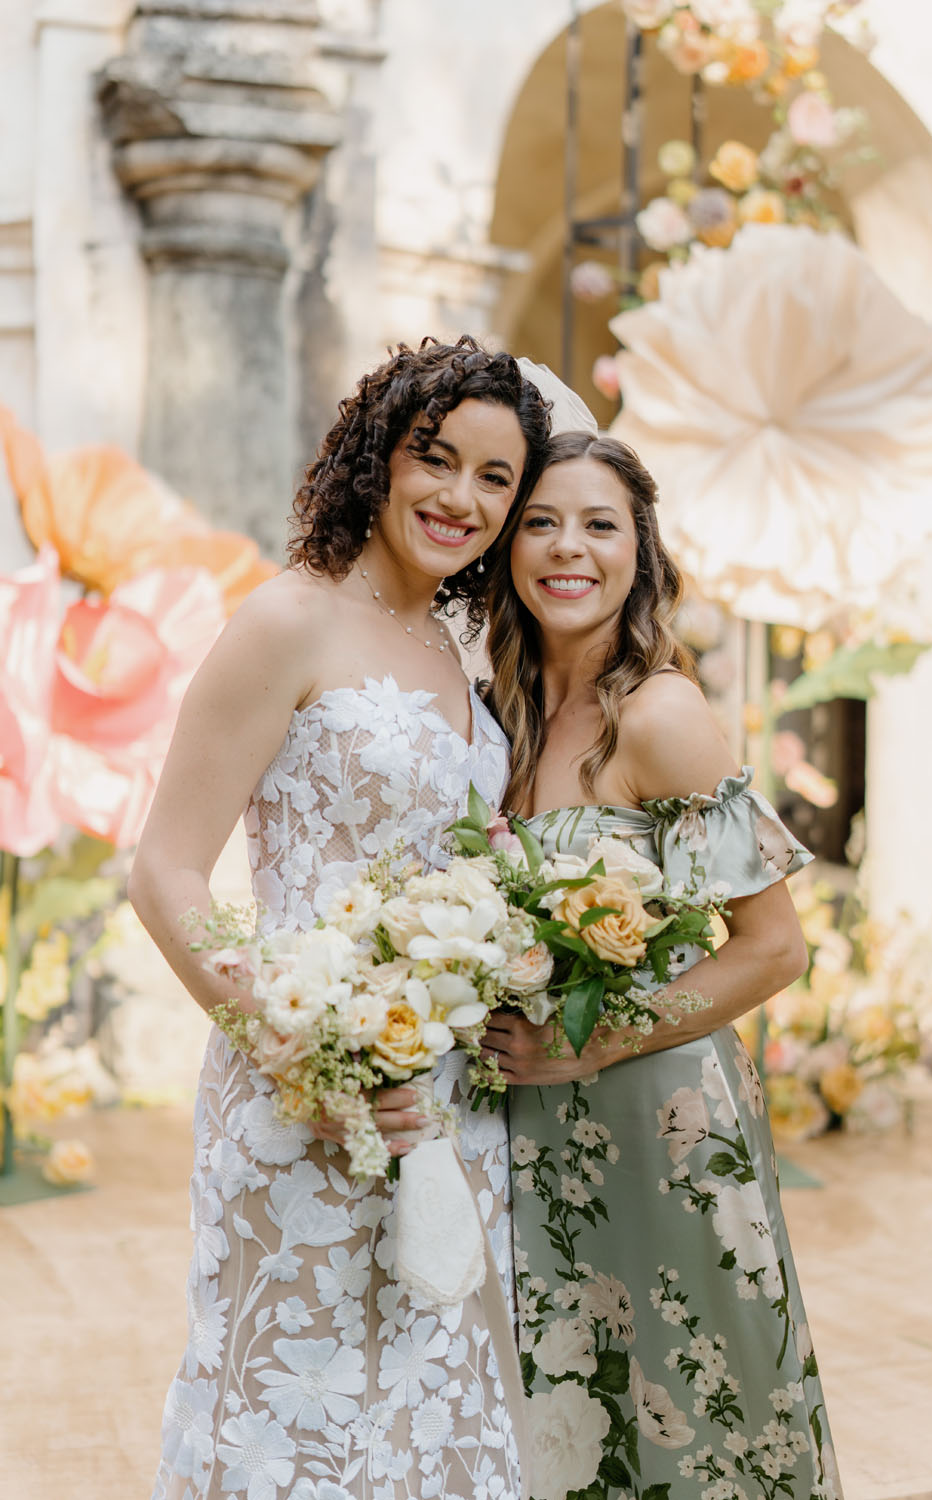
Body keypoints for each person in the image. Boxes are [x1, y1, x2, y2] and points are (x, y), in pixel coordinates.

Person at [129, 337, 550, 1500]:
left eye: (495, 479)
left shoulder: (457, 654)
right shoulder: (285, 623)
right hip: (299, 1082)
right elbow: (164, 874)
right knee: (300, 1399)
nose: (461, 498)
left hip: (446, 1097)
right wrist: (299, 1049)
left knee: (424, 1404)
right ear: (379, 457)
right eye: (438, 459)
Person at [481, 431, 842, 1500]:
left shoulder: (662, 714)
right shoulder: (491, 715)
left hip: (663, 1120)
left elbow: (774, 948)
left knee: (697, 1420)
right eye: (541, 521)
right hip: (533, 1130)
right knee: (574, 1425)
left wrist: (589, 1041)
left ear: (641, 552)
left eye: (599, 525)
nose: (566, 549)